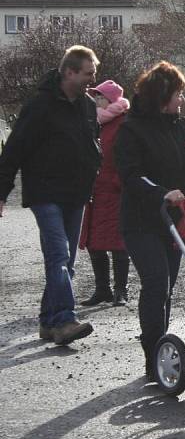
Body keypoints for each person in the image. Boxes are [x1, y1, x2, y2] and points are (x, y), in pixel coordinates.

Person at [114, 61, 185, 380]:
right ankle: (153, 353)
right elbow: (130, 175)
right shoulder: (132, 129)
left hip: (174, 224)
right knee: (156, 281)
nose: (182, 99)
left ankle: (159, 345)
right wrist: (162, 192)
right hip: (140, 221)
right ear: (162, 95)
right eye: (179, 93)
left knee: (166, 288)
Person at [0, 45, 101, 345]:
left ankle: (48, 321)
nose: (91, 80)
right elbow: (14, 149)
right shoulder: (40, 106)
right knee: (58, 255)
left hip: (76, 192)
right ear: (69, 72)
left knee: (66, 260)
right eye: (88, 73)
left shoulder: (87, 106)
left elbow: (92, 143)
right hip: (45, 193)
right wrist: (2, 192)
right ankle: (65, 320)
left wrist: (94, 168)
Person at [79, 80, 131, 307]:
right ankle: (102, 290)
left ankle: (121, 290)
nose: (96, 100)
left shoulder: (123, 123)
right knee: (94, 241)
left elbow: (127, 156)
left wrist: (117, 181)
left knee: (118, 241)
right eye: (95, 96)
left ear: (110, 99)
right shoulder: (94, 121)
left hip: (116, 190)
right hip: (95, 190)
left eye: (99, 96)